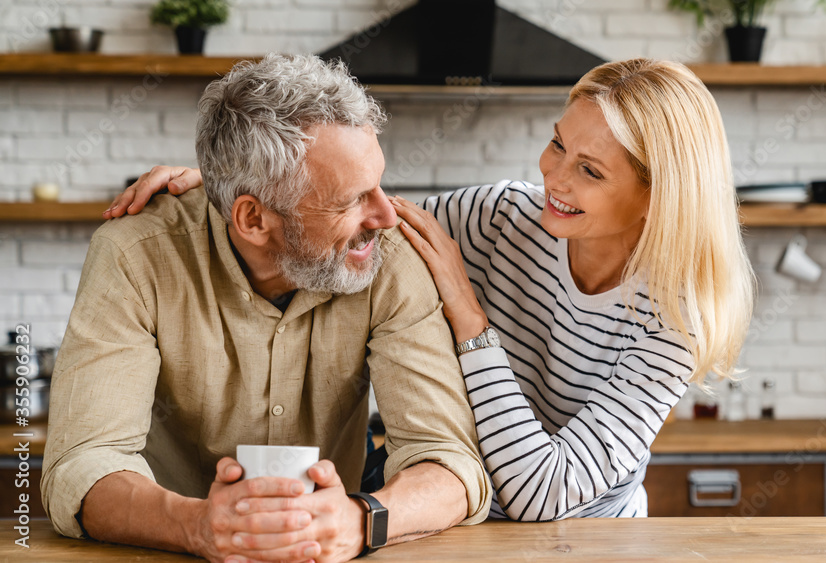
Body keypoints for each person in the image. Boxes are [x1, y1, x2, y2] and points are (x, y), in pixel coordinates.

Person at [108, 58, 755, 522]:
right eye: (557, 143)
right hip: (449, 520)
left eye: (588, 170)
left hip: (583, 539)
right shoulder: (505, 215)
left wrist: (470, 319)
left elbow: (544, 492)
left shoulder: (676, 320)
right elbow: (347, 216)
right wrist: (233, 181)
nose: (552, 175)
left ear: (657, 198)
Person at [42, 53, 491, 563]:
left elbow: (450, 465)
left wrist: (363, 520)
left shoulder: (387, 257)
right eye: (350, 200)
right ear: (252, 219)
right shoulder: (135, 255)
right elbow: (82, 466)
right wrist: (194, 526)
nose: (386, 214)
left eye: (380, 184)